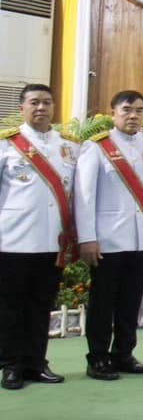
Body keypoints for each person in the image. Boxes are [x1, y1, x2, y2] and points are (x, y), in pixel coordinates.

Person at [77, 90, 143, 381]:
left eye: (140, 110)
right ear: (113, 113)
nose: (133, 115)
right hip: (108, 240)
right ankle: (98, 358)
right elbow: (85, 197)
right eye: (127, 109)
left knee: (131, 301)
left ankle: (124, 354)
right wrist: (87, 238)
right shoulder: (98, 147)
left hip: (142, 238)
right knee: (103, 303)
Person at [0, 84, 79, 389]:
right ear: (22, 108)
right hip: (12, 240)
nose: (41, 108)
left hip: (52, 241)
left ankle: (36, 362)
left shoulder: (70, 147)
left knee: (41, 304)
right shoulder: (7, 144)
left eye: (47, 102)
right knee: (9, 307)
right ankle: (10, 364)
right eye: (34, 103)